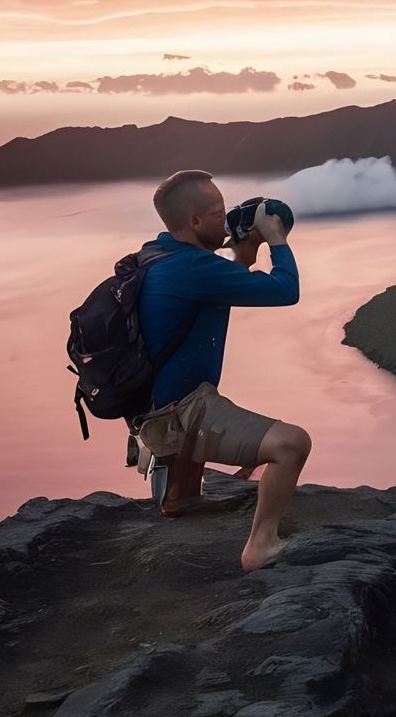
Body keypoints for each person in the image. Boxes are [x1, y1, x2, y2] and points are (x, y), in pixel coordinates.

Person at [132, 169, 310, 572]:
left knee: (209, 397)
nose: (225, 217)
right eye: (217, 213)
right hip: (179, 412)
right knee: (291, 445)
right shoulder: (193, 269)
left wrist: (245, 250)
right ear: (194, 222)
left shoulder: (160, 254)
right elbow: (286, 290)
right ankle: (260, 547)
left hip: (157, 401)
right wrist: (276, 238)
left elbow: (225, 272)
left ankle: (180, 495)